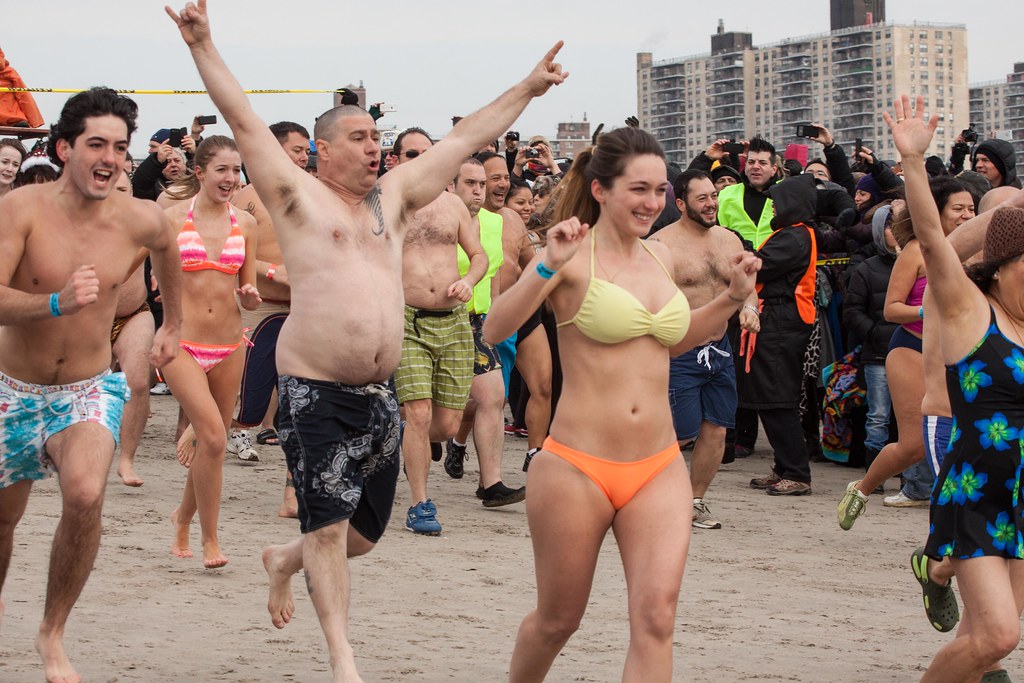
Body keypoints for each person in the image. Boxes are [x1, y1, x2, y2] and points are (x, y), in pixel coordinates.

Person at [166, 2, 567, 679]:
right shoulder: (295, 196)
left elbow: (465, 137)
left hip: (376, 392)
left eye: (375, 134)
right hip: (313, 390)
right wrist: (203, 44)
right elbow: (241, 118)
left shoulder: (394, 199)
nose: (372, 143)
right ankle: (343, 657)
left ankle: (284, 558)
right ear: (324, 148)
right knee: (326, 526)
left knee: (363, 535)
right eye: (357, 136)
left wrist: (527, 89)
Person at [483, 127, 759, 681]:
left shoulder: (657, 257)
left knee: (656, 619)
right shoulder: (568, 255)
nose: (653, 202)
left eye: (661, 191)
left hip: (657, 465)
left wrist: (731, 297)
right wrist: (545, 265)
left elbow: (674, 339)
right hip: (577, 465)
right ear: (601, 189)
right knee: (559, 620)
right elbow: (495, 328)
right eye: (639, 188)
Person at [0, 86, 181, 683]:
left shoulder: (140, 218)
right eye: (96, 144)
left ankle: (52, 633)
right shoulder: (21, 210)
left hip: (84, 387)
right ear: (63, 148)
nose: (110, 158)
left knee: (83, 494)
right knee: (5, 520)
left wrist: (172, 323)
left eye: (121, 148)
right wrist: (52, 302)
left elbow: (167, 250)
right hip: (12, 388)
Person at [888, 94, 1024, 683]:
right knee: (998, 635)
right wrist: (915, 164)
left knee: (985, 642)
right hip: (977, 492)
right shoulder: (972, 311)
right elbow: (932, 240)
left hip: (1021, 494)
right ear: (1005, 262)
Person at [836, 176, 976, 528]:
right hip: (912, 347)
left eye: (971, 208)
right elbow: (891, 309)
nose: (966, 215)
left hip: (961, 352)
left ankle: (957, 517)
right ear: (935, 212)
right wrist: (929, 310)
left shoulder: (976, 249)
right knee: (914, 445)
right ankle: (862, 488)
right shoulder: (916, 250)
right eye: (957, 209)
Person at [162, 135, 260, 568]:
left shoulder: (247, 223)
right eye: (222, 169)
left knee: (210, 446)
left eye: (236, 170)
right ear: (200, 172)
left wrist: (252, 294)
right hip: (180, 342)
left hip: (230, 343)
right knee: (216, 439)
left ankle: (183, 517)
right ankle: (210, 541)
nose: (230, 178)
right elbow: (130, 266)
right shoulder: (168, 220)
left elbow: (247, 284)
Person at [391, 126, 488, 534]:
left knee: (446, 427)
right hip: (407, 321)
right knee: (418, 413)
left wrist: (470, 280)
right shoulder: (385, 202)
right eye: (411, 154)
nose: (420, 161)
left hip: (453, 322)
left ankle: (403, 432)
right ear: (395, 160)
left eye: (426, 154)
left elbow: (478, 255)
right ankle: (420, 504)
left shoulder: (453, 206)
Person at [649, 169, 759, 528]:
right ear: (681, 203)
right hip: (678, 349)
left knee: (717, 429)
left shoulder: (729, 240)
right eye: (702, 198)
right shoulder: (662, 244)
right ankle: (640, 492)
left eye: (714, 196)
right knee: (679, 433)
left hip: (719, 349)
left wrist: (749, 308)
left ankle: (694, 501)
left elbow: (746, 286)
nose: (712, 203)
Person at [229, 121, 310, 514]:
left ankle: (293, 490)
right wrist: (274, 272)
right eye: (296, 149)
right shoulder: (247, 197)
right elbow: (231, 249)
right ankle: (220, 429)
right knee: (253, 398)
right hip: (262, 302)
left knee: (301, 400)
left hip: (308, 306)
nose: (303, 156)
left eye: (306, 149)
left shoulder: (314, 192)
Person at [110, 169, 157, 487]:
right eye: (113, 188)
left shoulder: (141, 223)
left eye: (124, 188)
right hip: (89, 318)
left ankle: (126, 460)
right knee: (87, 390)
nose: (118, 194)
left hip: (134, 313)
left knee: (138, 381)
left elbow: (169, 252)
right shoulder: (80, 225)